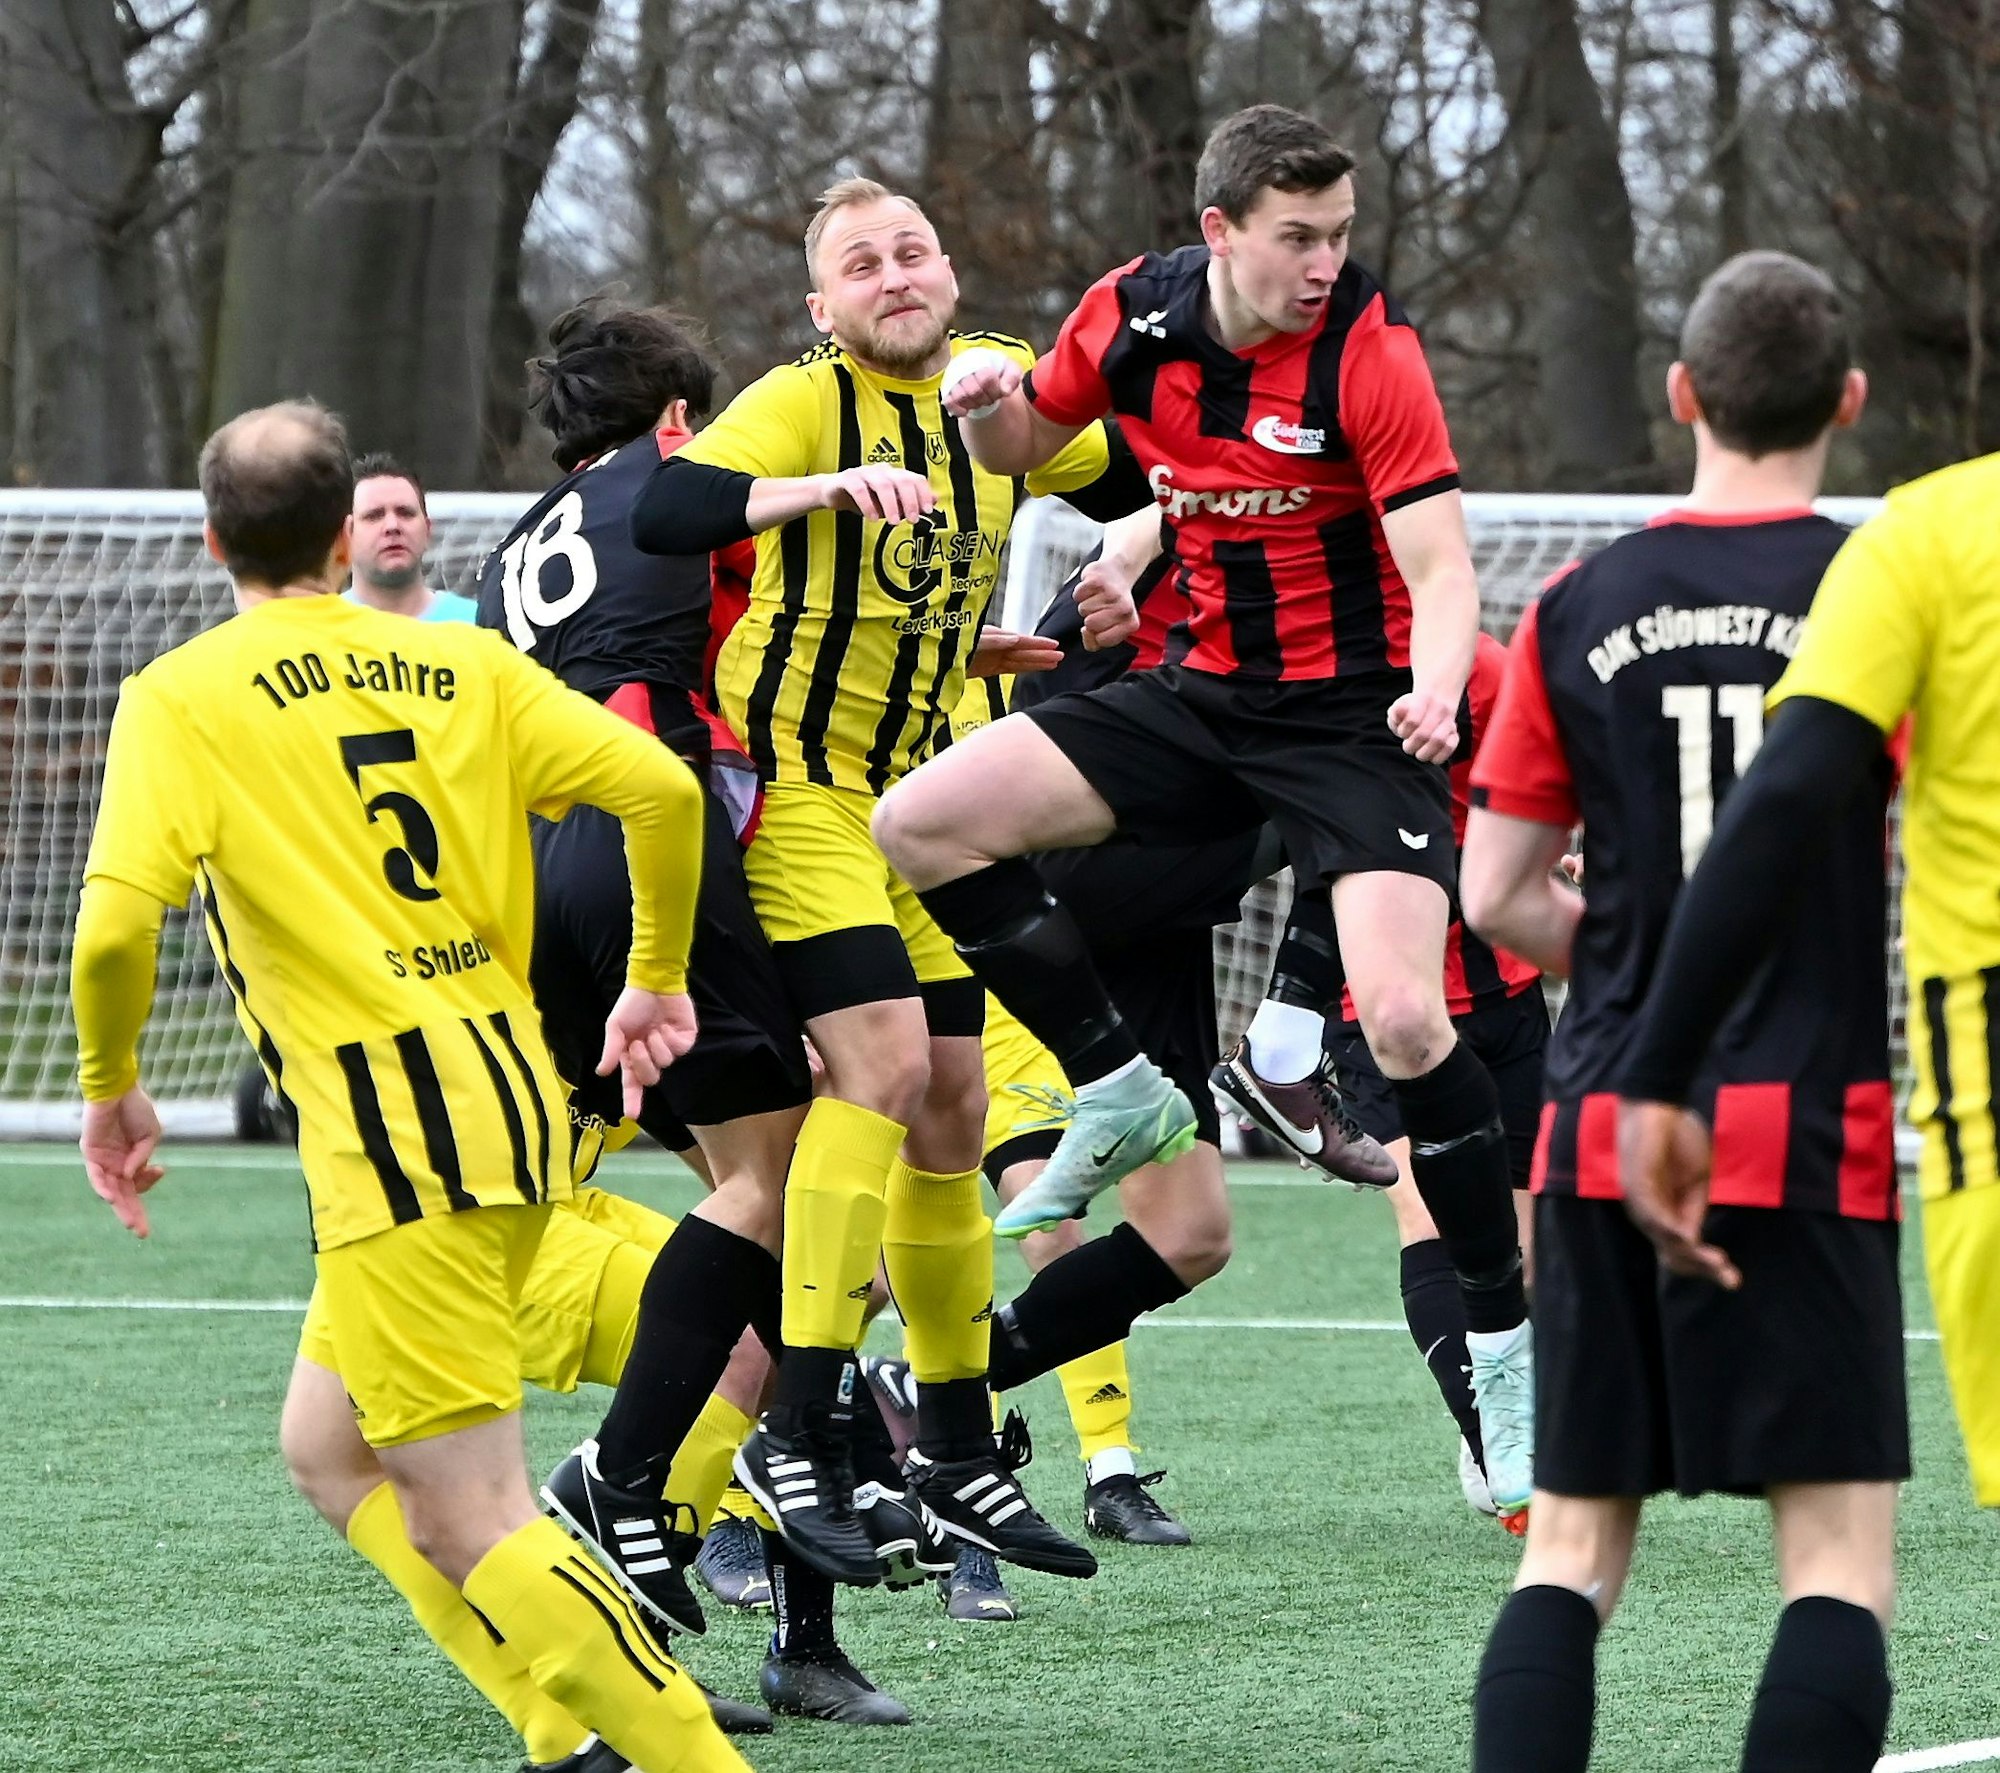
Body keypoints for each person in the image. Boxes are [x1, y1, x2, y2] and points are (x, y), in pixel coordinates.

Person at [872, 103, 1536, 1512]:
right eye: (1298, 236)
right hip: (1198, 704)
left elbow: (1443, 565)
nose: (1325, 261)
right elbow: (1024, 443)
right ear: (1218, 230)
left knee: (1412, 1021)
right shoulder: (1131, 315)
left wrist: (1428, 690)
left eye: (1342, 234)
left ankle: (1506, 1345)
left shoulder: (1371, 349)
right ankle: (1114, 1091)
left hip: (1353, 725)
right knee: (919, 823)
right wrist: (991, 421)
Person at [70, 400, 747, 1773]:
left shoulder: (181, 696)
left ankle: (686, 1757)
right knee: (329, 1449)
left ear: (212, 543)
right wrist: (656, 975)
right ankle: (563, 1726)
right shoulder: (463, 668)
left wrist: (110, 1086)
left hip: (396, 1141)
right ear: (339, 537)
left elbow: (108, 931)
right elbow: (666, 798)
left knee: (470, 1513)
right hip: (510, 1095)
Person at [627, 177, 1134, 1580]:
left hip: (920, 802)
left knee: (960, 1106)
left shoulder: (1004, 391)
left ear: (952, 269)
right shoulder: (810, 397)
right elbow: (669, 510)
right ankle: (798, 1424)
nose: (895, 275)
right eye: (862, 263)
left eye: (913, 249)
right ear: (824, 307)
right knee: (889, 1069)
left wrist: (1124, 574)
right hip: (795, 791)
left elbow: (1150, 470)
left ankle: (960, 1446)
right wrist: (819, 488)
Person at [1460, 252, 1903, 1773]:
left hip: (1598, 1121)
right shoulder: (1877, 594)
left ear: (1680, 396)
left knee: (1571, 1553)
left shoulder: (1581, 600)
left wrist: (1633, 958)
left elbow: (1500, 889)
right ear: (1848, 402)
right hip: (1811, 1127)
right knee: (1837, 1566)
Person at [474, 295, 913, 1722]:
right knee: (795, 1194)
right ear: (680, 420)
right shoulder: (668, 490)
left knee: (804, 1243)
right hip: (650, 846)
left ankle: (766, 1617)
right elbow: (694, 519)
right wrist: (840, 478)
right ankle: (616, 1495)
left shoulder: (517, 547)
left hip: (541, 877)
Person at [345, 454, 480, 622]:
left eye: (405, 513)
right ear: (347, 534)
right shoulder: (319, 628)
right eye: (374, 515)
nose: (392, 526)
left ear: (427, 530)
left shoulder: (478, 623)